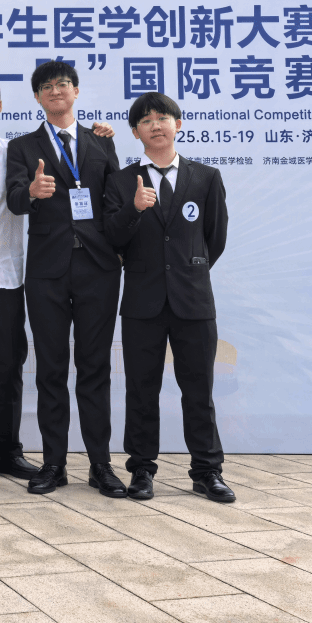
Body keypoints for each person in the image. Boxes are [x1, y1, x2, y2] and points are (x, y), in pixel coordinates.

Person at [103, 92, 233, 503]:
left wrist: (189, 270)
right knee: (141, 390)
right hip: (142, 303)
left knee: (199, 391)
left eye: (162, 118)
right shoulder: (121, 181)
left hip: (193, 301)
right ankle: (141, 469)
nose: (155, 125)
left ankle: (207, 471)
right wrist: (133, 209)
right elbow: (112, 238)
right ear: (135, 133)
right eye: (145, 121)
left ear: (177, 124)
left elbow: (215, 237)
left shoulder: (205, 177)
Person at [6, 60, 126, 497]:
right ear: (37, 97)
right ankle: (53, 464)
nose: (55, 91)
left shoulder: (101, 141)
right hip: (47, 271)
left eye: (62, 84)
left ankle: (100, 465)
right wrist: (31, 193)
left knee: (95, 368)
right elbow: (14, 199)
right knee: (51, 369)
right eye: (46, 86)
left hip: (98, 268)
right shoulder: (22, 146)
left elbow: (116, 200)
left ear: (75, 91)